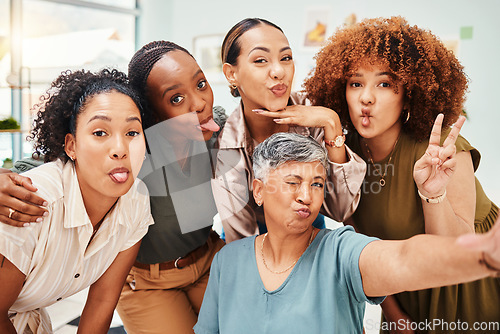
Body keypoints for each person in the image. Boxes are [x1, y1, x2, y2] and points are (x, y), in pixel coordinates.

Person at [0, 41, 227, 333]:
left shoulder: (213, 130)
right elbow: (40, 168)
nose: (198, 103)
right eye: (176, 99)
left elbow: (255, 123)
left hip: (207, 260)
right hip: (147, 282)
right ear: (152, 117)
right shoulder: (132, 156)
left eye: (201, 84)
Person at [303, 16, 500, 333]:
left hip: (471, 286)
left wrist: (432, 192)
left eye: (384, 84)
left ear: (408, 93)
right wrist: (397, 319)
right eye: (356, 83)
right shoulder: (343, 155)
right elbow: (364, 246)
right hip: (405, 289)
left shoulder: (441, 151)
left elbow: (455, 250)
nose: (366, 97)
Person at [194, 131, 500, 334]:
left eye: (316, 183)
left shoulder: (340, 252)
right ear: (258, 191)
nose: (307, 196)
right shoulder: (228, 261)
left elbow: (404, 259)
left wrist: (482, 253)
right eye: (292, 182)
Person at [0, 68, 153, 333]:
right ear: (71, 146)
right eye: (100, 133)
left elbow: (102, 301)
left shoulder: (136, 200)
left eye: (131, 133)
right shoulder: (31, 202)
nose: (120, 150)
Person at [212, 18, 366, 243]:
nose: (278, 71)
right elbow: (241, 240)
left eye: (286, 58)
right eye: (261, 60)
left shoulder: (315, 114)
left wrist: (331, 122)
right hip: (255, 249)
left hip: (311, 239)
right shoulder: (227, 143)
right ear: (231, 74)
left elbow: (340, 208)